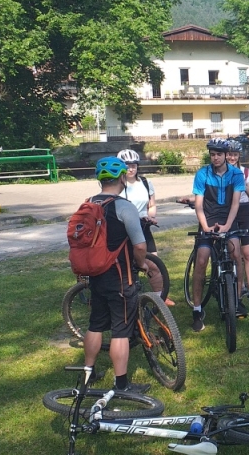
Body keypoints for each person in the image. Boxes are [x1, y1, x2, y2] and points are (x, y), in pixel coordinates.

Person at [82, 157, 150, 394]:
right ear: (122, 177)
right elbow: (139, 246)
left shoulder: (88, 203)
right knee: (121, 330)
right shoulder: (124, 207)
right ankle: (121, 384)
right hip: (120, 276)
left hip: (95, 274)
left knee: (96, 324)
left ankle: (88, 373)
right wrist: (142, 264)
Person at [190, 138, 247, 332]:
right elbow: (198, 205)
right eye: (212, 154)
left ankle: (236, 300)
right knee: (201, 259)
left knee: (236, 254)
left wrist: (227, 226)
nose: (215, 158)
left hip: (228, 219)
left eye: (219, 154)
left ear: (225, 155)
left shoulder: (236, 174)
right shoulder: (202, 174)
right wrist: (206, 227)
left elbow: (236, 203)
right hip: (207, 219)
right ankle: (197, 309)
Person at [117, 149, 172, 306]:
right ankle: (122, 298)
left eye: (133, 165)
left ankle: (161, 297)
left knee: (154, 263)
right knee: (123, 266)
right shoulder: (117, 184)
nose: (130, 169)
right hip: (122, 228)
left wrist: (150, 216)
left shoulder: (146, 183)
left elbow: (151, 205)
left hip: (143, 226)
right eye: (127, 166)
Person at [226, 139, 249, 304]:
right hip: (228, 211)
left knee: (248, 252)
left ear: (239, 156)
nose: (232, 158)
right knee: (234, 252)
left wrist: (241, 179)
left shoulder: (246, 172)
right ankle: (237, 287)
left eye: (235, 155)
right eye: (229, 154)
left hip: (245, 211)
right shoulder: (221, 173)